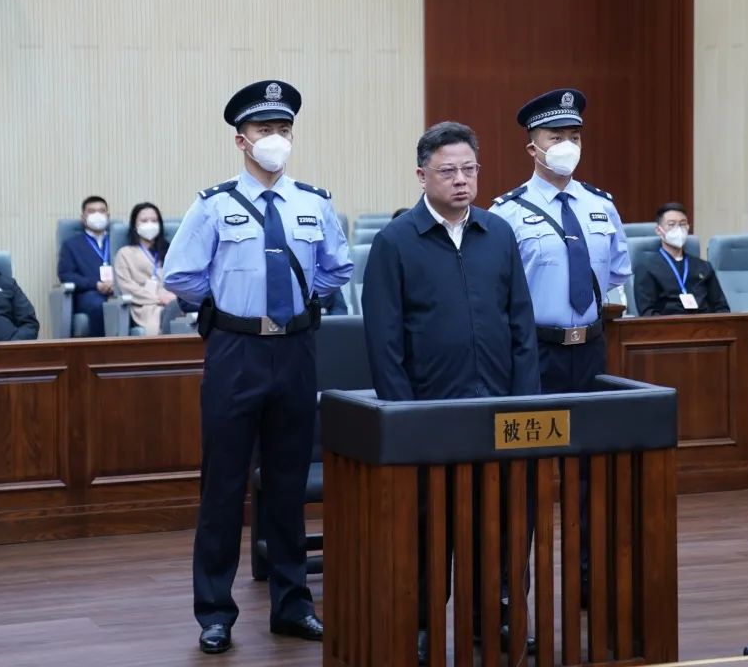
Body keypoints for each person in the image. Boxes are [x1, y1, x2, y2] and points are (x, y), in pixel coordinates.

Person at [164, 79, 352, 654]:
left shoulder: (314, 202)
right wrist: (229, 309)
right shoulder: (213, 204)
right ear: (241, 140)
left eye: (284, 129)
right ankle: (215, 613)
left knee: (288, 484)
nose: (276, 139)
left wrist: (296, 305)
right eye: (265, 129)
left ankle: (293, 605)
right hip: (236, 350)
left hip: (295, 349)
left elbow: (337, 268)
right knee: (223, 484)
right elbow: (181, 275)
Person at [362, 121, 539, 664]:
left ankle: (497, 616)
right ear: (422, 176)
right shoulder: (396, 242)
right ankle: (422, 624)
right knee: (428, 527)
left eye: (469, 169)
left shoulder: (498, 234)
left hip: (499, 408)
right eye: (448, 171)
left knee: (501, 520)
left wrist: (525, 401)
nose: (461, 180)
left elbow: (521, 326)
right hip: (431, 414)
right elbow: (384, 342)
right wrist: (406, 417)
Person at [490, 88, 632, 607]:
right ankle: (510, 594)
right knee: (524, 479)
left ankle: (590, 586)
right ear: (533, 147)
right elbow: (497, 290)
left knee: (592, 475)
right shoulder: (506, 213)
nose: (568, 145)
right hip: (535, 354)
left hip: (590, 352)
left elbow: (615, 274)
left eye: (575, 136)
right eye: (557, 137)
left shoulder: (601, 206)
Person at [634, 202, 730, 316]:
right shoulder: (646, 268)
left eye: (682, 224)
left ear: (688, 227)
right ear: (659, 231)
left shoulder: (704, 267)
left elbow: (721, 307)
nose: (678, 229)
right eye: (671, 224)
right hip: (669, 324)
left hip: (705, 324)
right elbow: (647, 312)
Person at [113, 202, 180, 334]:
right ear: (135, 225)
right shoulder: (125, 253)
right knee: (174, 310)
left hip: (172, 300)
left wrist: (173, 296)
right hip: (145, 305)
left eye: (154, 221)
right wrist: (158, 297)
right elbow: (127, 286)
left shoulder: (169, 251)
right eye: (144, 221)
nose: (149, 224)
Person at [57, 196, 114, 336]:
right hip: (89, 294)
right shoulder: (71, 244)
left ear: (108, 216)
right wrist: (96, 284)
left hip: (118, 290)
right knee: (98, 305)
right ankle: (101, 347)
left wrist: (116, 284)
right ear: (83, 217)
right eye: (92, 211)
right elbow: (66, 275)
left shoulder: (117, 241)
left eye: (101, 211)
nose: (97, 215)